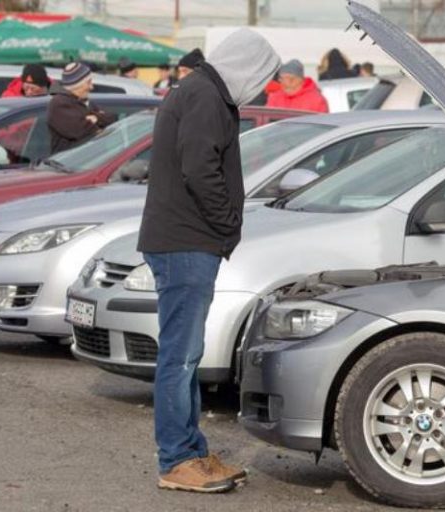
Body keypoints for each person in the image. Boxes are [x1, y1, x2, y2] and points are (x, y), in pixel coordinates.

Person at [137, 28, 280, 494]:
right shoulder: (204, 95)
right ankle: (177, 459)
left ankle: (191, 452)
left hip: (188, 242)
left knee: (186, 355)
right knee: (179, 357)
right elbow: (199, 169)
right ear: (245, 65)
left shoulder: (206, 92)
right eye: (262, 77)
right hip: (186, 244)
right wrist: (225, 223)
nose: (261, 88)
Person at [47, 62, 116, 154]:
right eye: (88, 82)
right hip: (68, 165)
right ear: (76, 85)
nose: (92, 87)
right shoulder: (59, 104)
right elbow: (84, 132)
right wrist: (99, 125)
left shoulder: (84, 101)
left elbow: (112, 118)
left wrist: (96, 118)